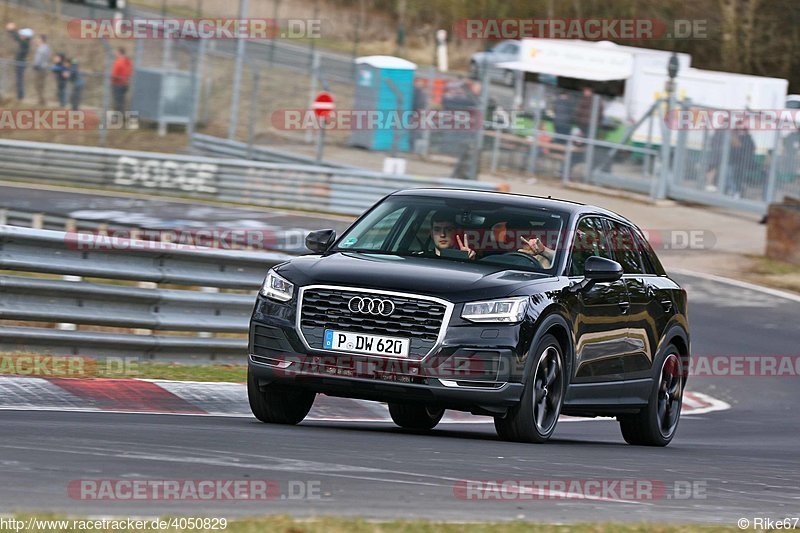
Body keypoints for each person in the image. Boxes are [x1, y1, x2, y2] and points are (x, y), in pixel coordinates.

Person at [6, 23, 33, 101]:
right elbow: (18, 38)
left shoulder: (25, 43)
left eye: (23, 35)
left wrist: (12, 30)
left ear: (26, 37)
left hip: (20, 64)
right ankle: (20, 95)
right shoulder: (25, 43)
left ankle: (20, 96)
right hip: (19, 63)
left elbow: (17, 38)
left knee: (19, 80)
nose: (21, 36)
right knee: (19, 80)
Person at [111, 47, 133, 113]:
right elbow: (130, 72)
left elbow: (114, 75)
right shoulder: (128, 62)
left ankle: (117, 119)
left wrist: (112, 79)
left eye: (116, 52)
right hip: (125, 84)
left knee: (117, 103)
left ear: (119, 52)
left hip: (117, 84)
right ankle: (121, 116)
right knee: (122, 102)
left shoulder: (118, 62)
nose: (115, 54)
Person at [32, 34, 51, 105]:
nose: (37, 40)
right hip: (43, 68)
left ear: (41, 40)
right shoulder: (46, 48)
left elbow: (38, 59)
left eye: (38, 39)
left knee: (38, 85)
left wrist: (35, 65)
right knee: (41, 85)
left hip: (40, 68)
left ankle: (41, 100)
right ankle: (41, 100)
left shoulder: (41, 48)